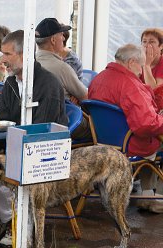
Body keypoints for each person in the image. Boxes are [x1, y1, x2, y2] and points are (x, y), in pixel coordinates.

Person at [0, 30, 68, 248]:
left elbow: (41, 130)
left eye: (8, 54)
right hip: (17, 145)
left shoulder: (48, 84)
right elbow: (4, 118)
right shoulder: (11, 83)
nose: (3, 60)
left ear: (24, 55)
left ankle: (14, 223)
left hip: (45, 154)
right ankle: (9, 219)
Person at [88, 43, 163, 213]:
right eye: (141, 66)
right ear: (131, 62)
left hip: (103, 143)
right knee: (157, 139)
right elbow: (146, 125)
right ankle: (156, 197)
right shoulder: (131, 85)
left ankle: (147, 193)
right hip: (129, 145)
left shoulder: (98, 79)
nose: (141, 72)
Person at [35, 17, 91, 140]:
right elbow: (86, 97)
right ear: (53, 40)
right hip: (60, 124)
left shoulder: (29, 64)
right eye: (61, 35)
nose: (64, 38)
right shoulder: (61, 68)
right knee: (96, 130)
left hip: (35, 124)